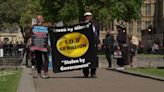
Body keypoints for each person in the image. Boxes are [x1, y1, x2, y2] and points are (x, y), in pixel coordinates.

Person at [82, 12, 100, 78]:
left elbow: (97, 34)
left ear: (91, 17)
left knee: (94, 58)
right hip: (85, 43)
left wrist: (98, 43)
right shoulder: (82, 24)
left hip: (93, 43)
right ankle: (85, 73)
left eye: (89, 16)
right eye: (86, 16)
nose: (88, 17)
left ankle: (93, 72)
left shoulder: (95, 24)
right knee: (85, 58)